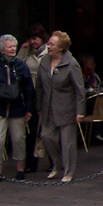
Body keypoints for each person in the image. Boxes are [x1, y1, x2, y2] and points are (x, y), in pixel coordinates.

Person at [0, 35, 35, 182]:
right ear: (2, 50)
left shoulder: (21, 66)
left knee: (18, 139)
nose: (13, 49)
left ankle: (20, 169)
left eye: (14, 46)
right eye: (9, 46)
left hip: (17, 109)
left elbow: (29, 89)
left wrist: (29, 109)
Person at [37, 31, 86, 183]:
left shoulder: (71, 63)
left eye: (52, 44)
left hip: (66, 108)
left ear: (61, 47)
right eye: (48, 43)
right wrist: (38, 105)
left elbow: (79, 89)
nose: (48, 46)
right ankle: (56, 163)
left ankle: (68, 171)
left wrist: (80, 111)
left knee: (67, 142)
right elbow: (39, 86)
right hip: (48, 108)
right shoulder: (44, 61)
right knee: (47, 136)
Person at [16, 24, 48, 173]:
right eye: (31, 39)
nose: (33, 42)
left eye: (35, 38)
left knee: (48, 130)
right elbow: (17, 66)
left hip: (46, 93)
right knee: (32, 130)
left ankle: (53, 161)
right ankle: (31, 162)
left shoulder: (48, 51)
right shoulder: (27, 53)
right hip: (30, 93)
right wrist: (23, 49)